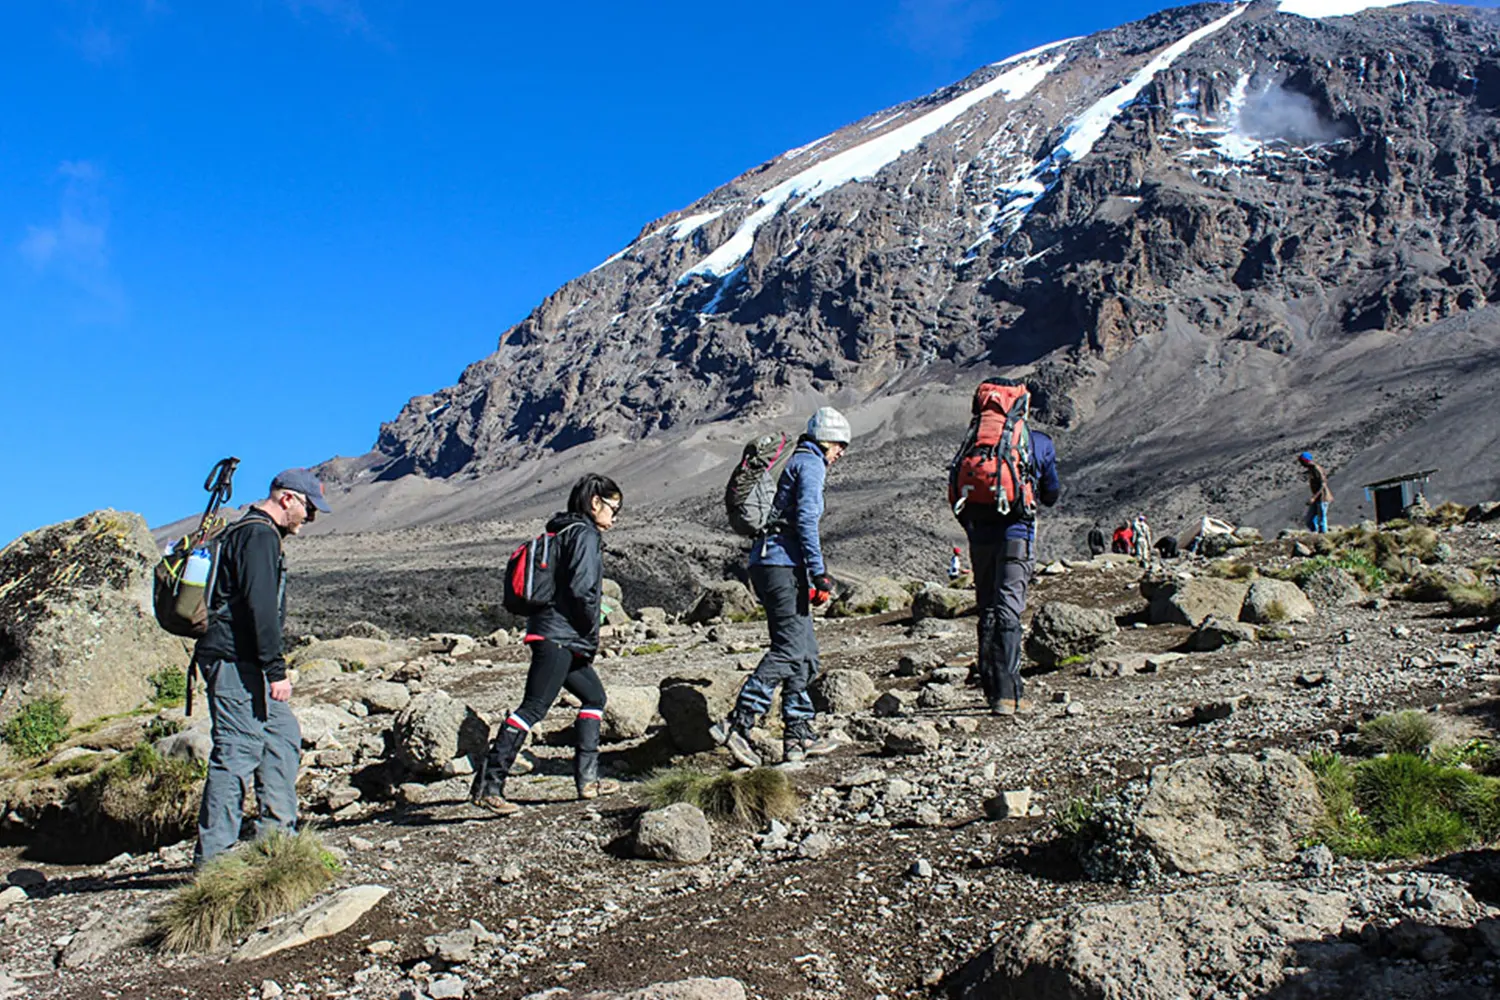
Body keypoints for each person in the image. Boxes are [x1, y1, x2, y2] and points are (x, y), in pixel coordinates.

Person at [193, 468, 330, 867]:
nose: (309, 519)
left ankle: (277, 847)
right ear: (286, 498)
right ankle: (214, 866)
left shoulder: (251, 533)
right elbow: (261, 609)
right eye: (308, 508)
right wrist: (276, 669)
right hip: (236, 661)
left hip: (243, 660)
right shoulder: (258, 535)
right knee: (236, 754)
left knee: (282, 737)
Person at [471, 474, 624, 814]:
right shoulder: (584, 534)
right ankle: (488, 785)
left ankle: (588, 781)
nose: (615, 517)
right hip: (561, 637)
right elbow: (582, 589)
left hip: (554, 634)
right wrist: (589, 625)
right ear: (595, 502)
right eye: (614, 508)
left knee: (594, 696)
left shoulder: (562, 531)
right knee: (534, 708)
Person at [710, 407, 851, 767]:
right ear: (828, 440)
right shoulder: (812, 463)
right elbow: (804, 520)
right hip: (780, 565)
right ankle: (737, 723)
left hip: (775, 563)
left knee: (806, 652)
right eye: (840, 446)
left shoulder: (800, 461)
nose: (841, 455)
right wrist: (820, 573)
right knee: (789, 649)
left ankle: (798, 733)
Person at [958, 404, 1061, 716]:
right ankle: (1008, 693)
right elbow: (1051, 493)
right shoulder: (1037, 441)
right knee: (1009, 608)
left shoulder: (973, 442)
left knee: (987, 605)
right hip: (1017, 534)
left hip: (979, 536)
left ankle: (991, 687)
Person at [1299, 451, 1332, 533]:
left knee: (1321, 519)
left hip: (1322, 498)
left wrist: (1314, 497)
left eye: (1302, 461)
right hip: (1317, 498)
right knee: (1309, 520)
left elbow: (1323, 484)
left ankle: (1323, 536)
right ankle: (1315, 533)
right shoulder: (1310, 469)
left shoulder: (1317, 469)